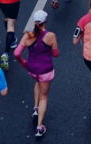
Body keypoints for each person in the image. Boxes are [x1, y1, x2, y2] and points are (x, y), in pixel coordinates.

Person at [13, 10, 58, 138]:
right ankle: (39, 127)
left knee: (38, 82)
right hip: (45, 70)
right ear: (45, 22)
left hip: (32, 69)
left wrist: (23, 63)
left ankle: (35, 108)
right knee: (44, 97)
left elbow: (16, 53)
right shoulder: (51, 36)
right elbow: (55, 54)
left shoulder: (27, 36)